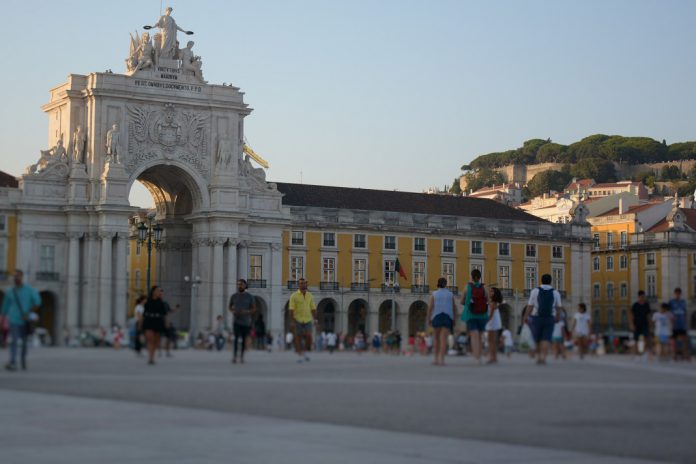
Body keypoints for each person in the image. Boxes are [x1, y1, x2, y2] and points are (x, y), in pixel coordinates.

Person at [2, 270, 41, 371]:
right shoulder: (10, 291)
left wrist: (28, 313)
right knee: (14, 341)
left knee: (24, 343)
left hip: (25, 321)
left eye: (17, 276)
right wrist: (2, 319)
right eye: (14, 276)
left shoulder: (29, 290)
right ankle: (13, 361)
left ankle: (23, 360)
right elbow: (5, 306)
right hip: (13, 319)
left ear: (22, 277)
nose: (16, 278)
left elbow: (37, 302)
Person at [522, 274, 562, 365]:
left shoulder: (535, 291)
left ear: (541, 280)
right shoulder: (555, 292)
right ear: (550, 281)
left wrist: (525, 316)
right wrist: (558, 316)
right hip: (550, 317)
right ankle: (544, 358)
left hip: (537, 317)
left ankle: (539, 357)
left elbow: (530, 306)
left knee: (537, 338)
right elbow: (558, 307)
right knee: (546, 338)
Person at [427, 277, 457, 366]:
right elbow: (454, 307)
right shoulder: (450, 294)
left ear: (438, 284)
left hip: (437, 316)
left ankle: (436, 359)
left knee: (436, 339)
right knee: (443, 339)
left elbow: (430, 307)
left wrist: (428, 318)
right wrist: (454, 319)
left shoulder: (434, 294)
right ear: (445, 284)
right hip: (447, 317)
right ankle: (442, 360)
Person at [461, 269, 488, 365]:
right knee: (480, 336)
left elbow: (462, 301)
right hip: (482, 315)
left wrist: (468, 302)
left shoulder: (467, 287)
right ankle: (480, 357)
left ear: (471, 277)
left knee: (474, 336)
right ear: (480, 277)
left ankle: (476, 358)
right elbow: (487, 300)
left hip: (471, 314)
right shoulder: (484, 287)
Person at [288, 278, 317, 363]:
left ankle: (306, 352)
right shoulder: (294, 296)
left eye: (304, 283)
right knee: (298, 337)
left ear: (306, 285)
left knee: (309, 335)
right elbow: (291, 310)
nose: (303, 285)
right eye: (301, 283)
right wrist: (292, 321)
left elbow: (313, 308)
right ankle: (299, 354)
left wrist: (316, 319)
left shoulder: (310, 295)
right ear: (298, 285)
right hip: (297, 319)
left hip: (308, 319)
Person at [228, 279, 256, 364]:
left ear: (245, 286)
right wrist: (233, 311)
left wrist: (246, 312)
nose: (239, 286)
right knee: (236, 339)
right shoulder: (234, 296)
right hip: (236, 321)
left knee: (244, 339)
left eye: (241, 284)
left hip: (246, 322)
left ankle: (242, 356)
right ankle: (234, 356)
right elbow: (230, 306)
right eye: (238, 284)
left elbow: (254, 308)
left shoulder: (249, 296)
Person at [141, 286, 169, 365]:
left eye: (160, 291)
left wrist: (167, 323)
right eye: (157, 291)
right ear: (153, 292)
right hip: (149, 321)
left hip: (158, 321)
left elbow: (165, 314)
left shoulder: (162, 303)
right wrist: (140, 324)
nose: (159, 292)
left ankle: (152, 356)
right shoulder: (147, 302)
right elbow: (143, 314)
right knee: (150, 340)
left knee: (156, 341)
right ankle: (150, 358)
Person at [668, 288, 691, 362]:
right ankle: (674, 356)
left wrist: (686, 322)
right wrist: (671, 321)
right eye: (676, 293)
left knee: (685, 340)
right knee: (674, 341)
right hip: (674, 325)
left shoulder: (683, 302)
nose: (678, 295)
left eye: (679, 293)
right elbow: (668, 313)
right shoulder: (671, 302)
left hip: (682, 324)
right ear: (674, 294)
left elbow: (685, 312)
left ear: (680, 294)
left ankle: (685, 356)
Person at [630, 290, 652, 359]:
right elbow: (631, 315)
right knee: (636, 340)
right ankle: (636, 354)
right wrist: (631, 324)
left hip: (645, 324)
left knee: (647, 338)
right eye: (641, 297)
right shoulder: (635, 305)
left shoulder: (646, 305)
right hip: (636, 324)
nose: (643, 298)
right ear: (639, 297)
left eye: (643, 297)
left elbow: (648, 315)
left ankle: (645, 352)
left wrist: (650, 324)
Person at [486, 287, 503, 364]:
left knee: (491, 341)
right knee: (492, 341)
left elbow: (491, 315)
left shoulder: (493, 303)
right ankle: (494, 357)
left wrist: (485, 322)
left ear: (495, 294)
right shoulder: (492, 302)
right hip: (493, 323)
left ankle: (492, 357)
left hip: (492, 323)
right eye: (489, 291)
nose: (489, 293)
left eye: (491, 291)